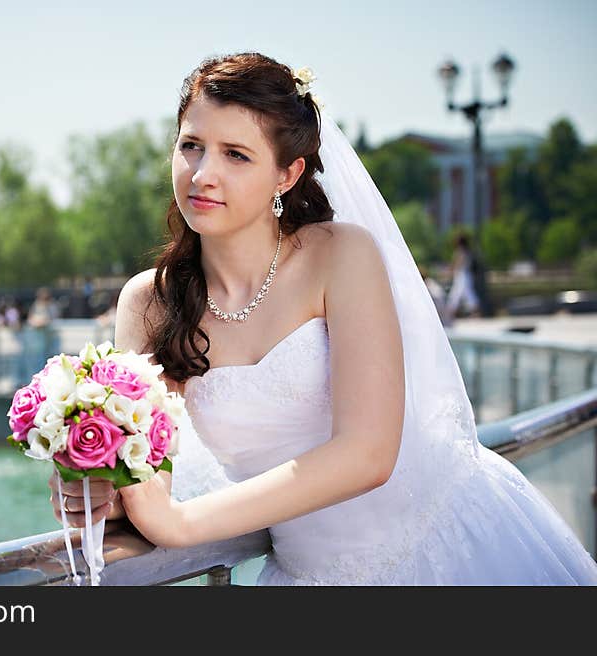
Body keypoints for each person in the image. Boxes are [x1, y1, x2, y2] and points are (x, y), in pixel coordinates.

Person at [47, 53, 597, 585]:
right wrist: (96, 488)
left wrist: (182, 526)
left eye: (236, 154)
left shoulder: (340, 255)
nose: (203, 173)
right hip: (309, 575)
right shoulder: (149, 303)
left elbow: (367, 454)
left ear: (287, 175)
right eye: (191, 146)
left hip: (445, 547)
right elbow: (148, 477)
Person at [445, 233, 481, 319]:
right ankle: (451, 312)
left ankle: (450, 312)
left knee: (462, 293)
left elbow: (458, 263)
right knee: (460, 293)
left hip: (463, 275)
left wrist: (451, 270)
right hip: (463, 275)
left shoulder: (462, 251)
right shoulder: (467, 251)